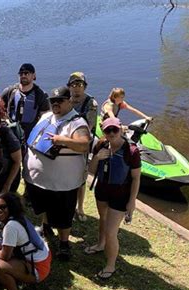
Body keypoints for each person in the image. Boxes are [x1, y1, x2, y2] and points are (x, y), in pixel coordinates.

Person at [23, 86, 90, 260]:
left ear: (70, 101)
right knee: (44, 207)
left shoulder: (77, 122)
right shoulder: (46, 116)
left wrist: (63, 140)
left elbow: (84, 144)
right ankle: (46, 228)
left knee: (63, 215)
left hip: (63, 183)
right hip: (40, 180)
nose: (55, 104)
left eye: (60, 100)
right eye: (53, 101)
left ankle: (64, 243)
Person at [86, 117, 141, 279]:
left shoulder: (131, 151)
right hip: (102, 190)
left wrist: (132, 201)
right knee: (102, 219)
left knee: (111, 232)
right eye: (107, 130)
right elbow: (91, 170)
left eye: (114, 130)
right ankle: (100, 244)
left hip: (120, 195)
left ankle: (111, 265)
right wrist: (97, 158)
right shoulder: (101, 145)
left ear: (121, 130)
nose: (111, 133)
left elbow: (136, 178)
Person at [67, 71, 99, 222]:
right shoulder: (65, 99)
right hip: (66, 145)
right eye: (73, 84)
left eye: (79, 84)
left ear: (84, 87)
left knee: (80, 178)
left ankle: (79, 207)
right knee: (66, 176)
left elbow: (87, 126)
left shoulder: (91, 104)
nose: (76, 88)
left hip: (82, 147)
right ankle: (68, 206)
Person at [1, 63, 50, 139]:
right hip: (11, 133)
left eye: (26, 73)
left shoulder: (40, 95)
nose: (23, 76)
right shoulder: (10, 91)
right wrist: (5, 121)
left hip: (31, 134)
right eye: (21, 74)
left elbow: (45, 117)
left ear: (34, 76)